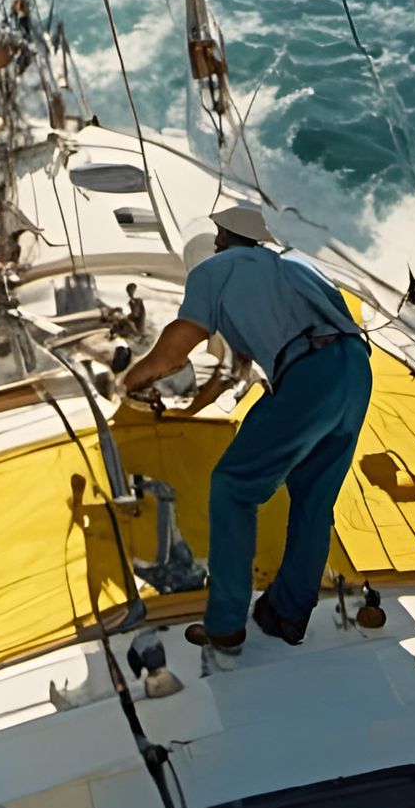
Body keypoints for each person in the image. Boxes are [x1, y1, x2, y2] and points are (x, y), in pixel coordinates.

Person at [122, 203, 371, 651]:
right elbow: (232, 373)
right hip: (354, 371)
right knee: (314, 500)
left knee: (233, 486)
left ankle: (225, 623)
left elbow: (175, 351)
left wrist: (131, 380)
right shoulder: (297, 266)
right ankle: (287, 615)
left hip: (308, 374)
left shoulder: (214, 270)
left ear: (219, 243)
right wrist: (189, 411)